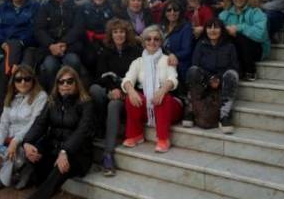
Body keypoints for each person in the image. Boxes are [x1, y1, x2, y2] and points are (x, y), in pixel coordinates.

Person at [23, 66, 94, 199]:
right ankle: (42, 185)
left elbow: (82, 131)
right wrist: (27, 142)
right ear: (57, 84)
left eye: (69, 81)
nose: (65, 85)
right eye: (61, 82)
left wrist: (65, 151)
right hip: (54, 148)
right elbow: (40, 124)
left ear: (76, 83)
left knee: (61, 166)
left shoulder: (86, 103)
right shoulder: (52, 101)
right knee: (33, 152)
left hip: (78, 153)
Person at [0, 65, 47, 192]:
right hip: (7, 145)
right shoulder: (10, 98)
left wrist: (15, 141)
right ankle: (19, 169)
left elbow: (34, 124)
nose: (23, 82)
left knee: (12, 155)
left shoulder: (40, 96)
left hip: (26, 142)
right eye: (18, 79)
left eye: (27, 79)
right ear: (14, 82)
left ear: (33, 80)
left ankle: (1, 179)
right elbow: (3, 125)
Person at [89, 18, 141, 176]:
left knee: (114, 105)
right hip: (112, 94)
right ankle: (106, 147)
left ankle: (108, 153)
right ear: (111, 35)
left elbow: (139, 76)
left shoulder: (135, 51)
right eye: (116, 32)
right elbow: (100, 77)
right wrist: (112, 89)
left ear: (127, 34)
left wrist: (124, 90)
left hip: (130, 93)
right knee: (95, 89)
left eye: (122, 32)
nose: (119, 35)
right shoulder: (105, 52)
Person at [121, 25, 182, 153]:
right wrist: (131, 91)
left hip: (169, 104)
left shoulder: (167, 60)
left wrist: (162, 90)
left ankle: (163, 139)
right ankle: (136, 135)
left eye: (156, 39)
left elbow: (173, 78)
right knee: (131, 96)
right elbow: (127, 80)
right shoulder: (138, 62)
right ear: (143, 42)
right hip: (150, 105)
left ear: (161, 42)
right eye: (148, 39)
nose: (152, 42)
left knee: (162, 98)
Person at [0, 0, 40, 117]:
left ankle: (26, 119)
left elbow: (36, 30)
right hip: (8, 48)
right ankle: (3, 121)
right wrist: (2, 44)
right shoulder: (3, 8)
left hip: (27, 47)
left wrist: (22, 43)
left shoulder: (35, 6)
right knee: (4, 78)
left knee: (24, 77)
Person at [185, 18, 239, 134]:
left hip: (222, 81)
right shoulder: (201, 44)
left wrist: (218, 78)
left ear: (222, 30)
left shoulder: (229, 46)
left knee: (232, 74)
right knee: (193, 70)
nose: (212, 30)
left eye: (216, 27)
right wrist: (209, 78)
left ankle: (224, 115)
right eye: (209, 27)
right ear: (206, 30)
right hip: (204, 80)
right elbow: (196, 64)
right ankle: (191, 109)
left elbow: (234, 66)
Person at [34, 0, 84, 92]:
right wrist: (51, 45)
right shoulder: (44, 7)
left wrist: (64, 43)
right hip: (49, 49)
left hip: (70, 47)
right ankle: (53, 97)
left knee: (73, 62)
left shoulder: (75, 7)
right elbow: (39, 29)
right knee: (49, 66)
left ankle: (74, 95)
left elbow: (78, 28)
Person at [219, 0, 269, 81]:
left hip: (256, 48)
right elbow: (218, 31)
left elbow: (260, 34)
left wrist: (238, 28)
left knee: (240, 37)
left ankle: (250, 71)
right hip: (236, 49)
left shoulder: (256, 12)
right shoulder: (225, 14)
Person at [81, 0, 115, 76]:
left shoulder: (111, 9)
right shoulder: (84, 8)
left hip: (107, 40)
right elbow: (80, 26)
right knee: (90, 58)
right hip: (89, 41)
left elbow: (114, 26)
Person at [161, 0, 194, 86]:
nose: (172, 12)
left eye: (175, 10)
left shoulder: (186, 27)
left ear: (180, 12)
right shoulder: (161, 27)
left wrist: (174, 55)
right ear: (165, 12)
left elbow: (187, 50)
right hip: (162, 62)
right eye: (169, 10)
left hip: (178, 64)